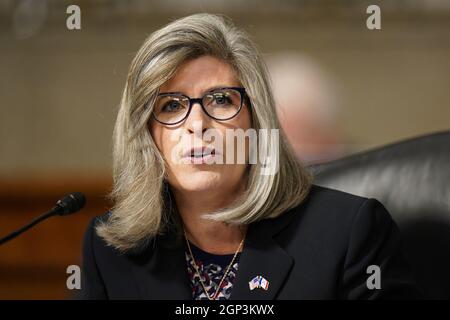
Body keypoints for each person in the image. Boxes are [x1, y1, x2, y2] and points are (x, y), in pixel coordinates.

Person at [80, 13, 420, 300]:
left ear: (256, 123)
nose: (197, 124)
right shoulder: (112, 250)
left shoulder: (348, 234)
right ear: (146, 135)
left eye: (221, 100)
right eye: (171, 106)